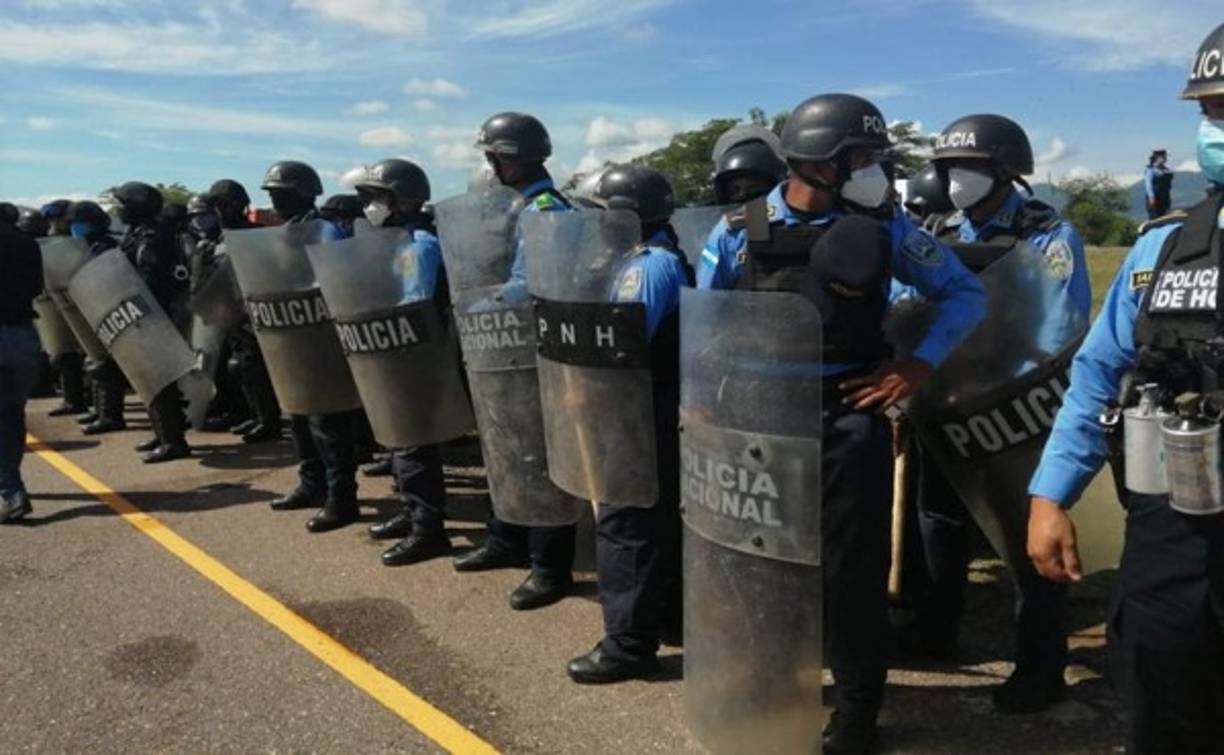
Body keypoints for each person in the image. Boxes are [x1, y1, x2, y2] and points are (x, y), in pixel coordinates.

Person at [699, 93, 986, 752]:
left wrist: (916, 366)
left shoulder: (883, 229)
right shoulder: (738, 229)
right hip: (758, 424)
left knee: (852, 572)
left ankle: (858, 706)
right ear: (817, 162)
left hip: (844, 417)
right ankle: (773, 682)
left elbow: (962, 293)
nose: (874, 169)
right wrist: (704, 402)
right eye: (861, 157)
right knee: (761, 565)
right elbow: (706, 317)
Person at [1027, 22, 1224, 753]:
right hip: (1175, 528)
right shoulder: (1163, 249)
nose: (1221, 128)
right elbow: (1097, 374)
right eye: (1213, 111)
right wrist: (1051, 495)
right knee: (1164, 706)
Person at [894, 114, 1090, 714]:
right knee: (939, 521)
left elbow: (1064, 320)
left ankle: (1039, 666)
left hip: (1017, 407)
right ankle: (936, 630)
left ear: (1006, 171)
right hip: (945, 398)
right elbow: (905, 302)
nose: (957, 181)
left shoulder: (1048, 234)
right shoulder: (937, 229)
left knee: (1024, 534)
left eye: (972, 168)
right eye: (950, 168)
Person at [559, 164, 692, 683]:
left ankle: (628, 645)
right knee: (647, 523)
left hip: (641, 410)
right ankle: (659, 619)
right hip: (641, 407)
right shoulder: (638, 258)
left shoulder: (650, 265)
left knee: (626, 525)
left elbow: (622, 344)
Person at [451, 112, 578, 612]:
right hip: (501, 345)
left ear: (515, 158)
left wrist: (474, 305)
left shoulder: (545, 209)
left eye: (494, 157)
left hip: (535, 350)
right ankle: (505, 537)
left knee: (539, 458)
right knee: (503, 446)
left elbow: (530, 283)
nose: (490, 165)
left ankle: (550, 567)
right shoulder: (513, 205)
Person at [351, 158, 456, 566]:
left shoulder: (419, 244)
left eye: (377, 196)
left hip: (414, 354)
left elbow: (413, 303)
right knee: (397, 439)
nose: (370, 205)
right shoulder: (393, 240)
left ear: (404, 199)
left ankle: (429, 530)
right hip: (391, 351)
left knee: (414, 443)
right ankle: (411, 511)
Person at [258, 161, 363, 533]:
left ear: (301, 193)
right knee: (298, 417)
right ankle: (311, 485)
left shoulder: (326, 231)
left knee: (328, 425)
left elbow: (334, 279)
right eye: (271, 195)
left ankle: (341, 498)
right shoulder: (284, 232)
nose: (273, 201)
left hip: (322, 340)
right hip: (291, 339)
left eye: (279, 194)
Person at [112, 182, 192, 463]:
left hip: (155, 317)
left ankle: (173, 441)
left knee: (159, 381)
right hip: (143, 316)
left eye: (122, 204)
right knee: (149, 380)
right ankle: (163, 433)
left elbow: (151, 281)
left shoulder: (152, 237)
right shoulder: (137, 233)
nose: (118, 210)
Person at [205, 179, 282, 444]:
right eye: (216, 204)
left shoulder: (257, 233)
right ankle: (251, 413)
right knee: (235, 368)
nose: (219, 209)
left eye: (224, 204)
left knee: (253, 367)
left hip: (254, 311)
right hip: (229, 314)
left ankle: (269, 421)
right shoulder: (218, 237)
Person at [67, 201, 129, 436]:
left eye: (79, 223)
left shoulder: (104, 246)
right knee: (94, 362)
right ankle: (100, 410)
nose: (75, 228)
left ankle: (111, 416)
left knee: (104, 365)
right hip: (93, 308)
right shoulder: (88, 244)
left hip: (108, 307)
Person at [0, 204, 44, 523]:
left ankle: (11, 490)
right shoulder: (26, 243)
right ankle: (12, 481)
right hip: (23, 335)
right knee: (11, 414)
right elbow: (36, 287)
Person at [711, 124, 788, 204]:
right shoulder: (709, 214)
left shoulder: (790, 213)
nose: (742, 195)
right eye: (735, 190)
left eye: (754, 190)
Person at [1143, 149, 1174, 219]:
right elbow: (1148, 184)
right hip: (1155, 197)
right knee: (1155, 218)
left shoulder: (1166, 170)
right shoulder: (1151, 170)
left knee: (1166, 217)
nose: (1166, 158)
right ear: (1158, 158)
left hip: (1165, 197)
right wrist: (1151, 197)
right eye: (1164, 157)